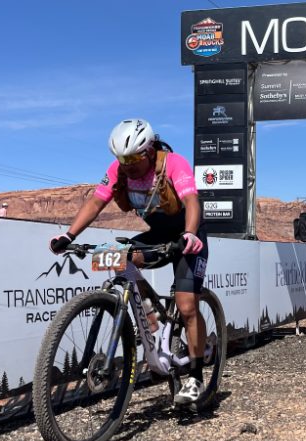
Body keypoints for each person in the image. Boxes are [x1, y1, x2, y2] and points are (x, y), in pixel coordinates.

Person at [47, 119, 208, 405]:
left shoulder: (173, 164)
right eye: (122, 158)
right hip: (158, 235)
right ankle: (153, 325)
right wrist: (69, 235)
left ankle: (196, 377)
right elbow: (96, 203)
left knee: (186, 306)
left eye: (133, 157)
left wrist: (191, 234)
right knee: (115, 256)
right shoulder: (118, 171)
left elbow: (193, 201)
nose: (128, 164)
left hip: (188, 237)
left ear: (148, 151)